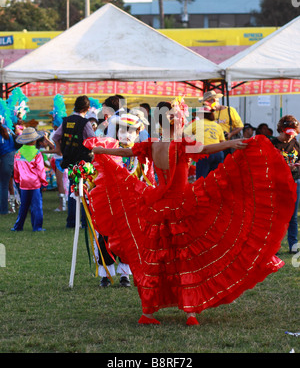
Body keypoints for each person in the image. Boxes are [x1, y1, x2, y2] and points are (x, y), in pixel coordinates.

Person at [85, 97, 296, 326]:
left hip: (157, 207)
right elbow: (206, 148)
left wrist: (97, 149)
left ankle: (148, 312)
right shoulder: (182, 145)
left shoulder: (153, 144)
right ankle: (190, 312)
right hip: (182, 206)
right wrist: (231, 144)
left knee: (158, 259)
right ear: (179, 122)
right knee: (187, 259)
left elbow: (126, 153)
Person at [92, 112, 155, 288]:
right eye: (122, 131)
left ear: (137, 133)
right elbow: (97, 174)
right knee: (105, 235)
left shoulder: (142, 156)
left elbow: (148, 180)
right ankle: (105, 273)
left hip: (132, 204)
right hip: (109, 202)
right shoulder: (108, 151)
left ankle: (125, 274)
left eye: (131, 131)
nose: (126, 135)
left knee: (128, 238)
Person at [52, 95, 95, 228]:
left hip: (70, 160)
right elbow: (92, 140)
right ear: (87, 108)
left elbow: (55, 136)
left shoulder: (66, 121)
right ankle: (84, 221)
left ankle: (71, 222)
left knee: (73, 190)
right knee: (84, 191)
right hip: (83, 162)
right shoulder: (85, 123)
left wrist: (60, 150)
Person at [270, 115, 300, 253]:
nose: (290, 137)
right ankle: (273, 246)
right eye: (288, 134)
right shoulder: (272, 144)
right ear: (281, 129)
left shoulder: (295, 143)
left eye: (293, 134)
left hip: (294, 182)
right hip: (277, 184)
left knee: (293, 216)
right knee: (276, 216)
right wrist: (285, 167)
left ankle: (293, 245)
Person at [11, 127, 48, 232]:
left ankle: (18, 226)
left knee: (24, 206)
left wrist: (17, 180)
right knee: (37, 206)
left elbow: (16, 169)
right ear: (34, 140)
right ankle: (37, 227)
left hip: (23, 183)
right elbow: (40, 170)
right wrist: (44, 183)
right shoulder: (37, 153)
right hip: (35, 184)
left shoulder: (18, 152)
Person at [184, 104, 225, 179]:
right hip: (218, 153)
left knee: (201, 180)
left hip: (204, 152)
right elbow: (222, 142)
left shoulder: (196, 123)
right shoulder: (217, 125)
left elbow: (183, 135)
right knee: (216, 179)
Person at [0, 120, 16, 215]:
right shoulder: (7, 128)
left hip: (4, 158)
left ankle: (3, 210)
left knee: (3, 185)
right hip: (11, 157)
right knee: (5, 185)